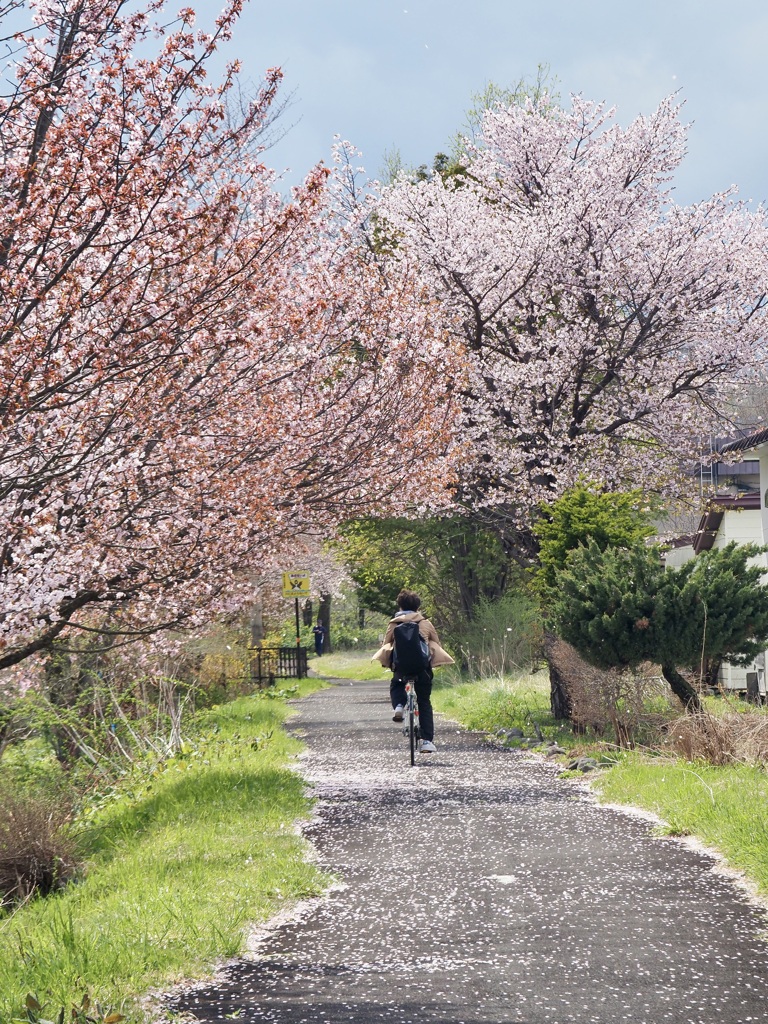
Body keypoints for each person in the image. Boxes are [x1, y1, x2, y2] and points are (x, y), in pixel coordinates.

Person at [384, 589, 440, 753]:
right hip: (422, 669)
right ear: (417, 607)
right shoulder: (425, 623)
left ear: (400, 606)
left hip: (401, 668)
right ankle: (427, 741)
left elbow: (386, 645)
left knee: (396, 684)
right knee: (424, 702)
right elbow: (436, 644)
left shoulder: (394, 623)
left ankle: (399, 706)